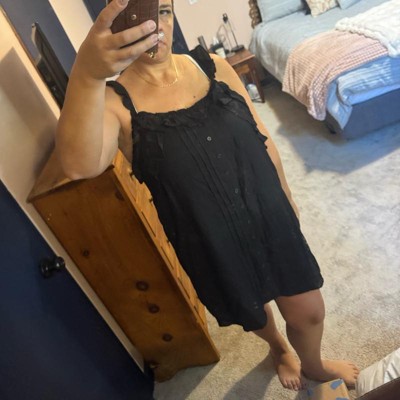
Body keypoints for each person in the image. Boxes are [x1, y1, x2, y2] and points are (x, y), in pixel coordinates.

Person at [56, 0, 359, 391]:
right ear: (113, 27)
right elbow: (78, 166)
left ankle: (313, 365)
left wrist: (285, 193)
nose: (154, 27)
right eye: (135, 18)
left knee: (309, 311)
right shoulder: (115, 103)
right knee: (252, 308)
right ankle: (277, 346)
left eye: (163, 11)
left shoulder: (211, 66)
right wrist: (87, 72)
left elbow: (260, 134)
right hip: (208, 236)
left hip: (265, 210)